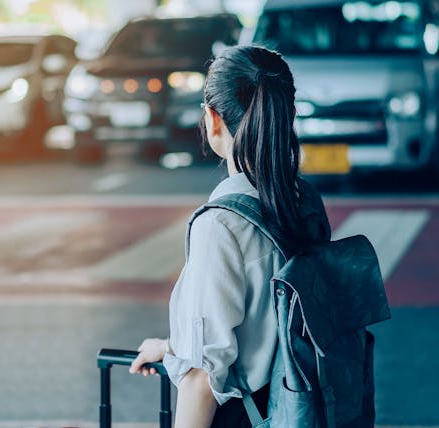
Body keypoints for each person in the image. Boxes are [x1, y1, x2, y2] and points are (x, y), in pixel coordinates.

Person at [129, 45, 331, 428]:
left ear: (213, 119)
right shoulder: (305, 201)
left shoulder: (221, 225)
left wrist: (186, 355)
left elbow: (204, 379)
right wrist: (170, 348)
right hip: (302, 410)